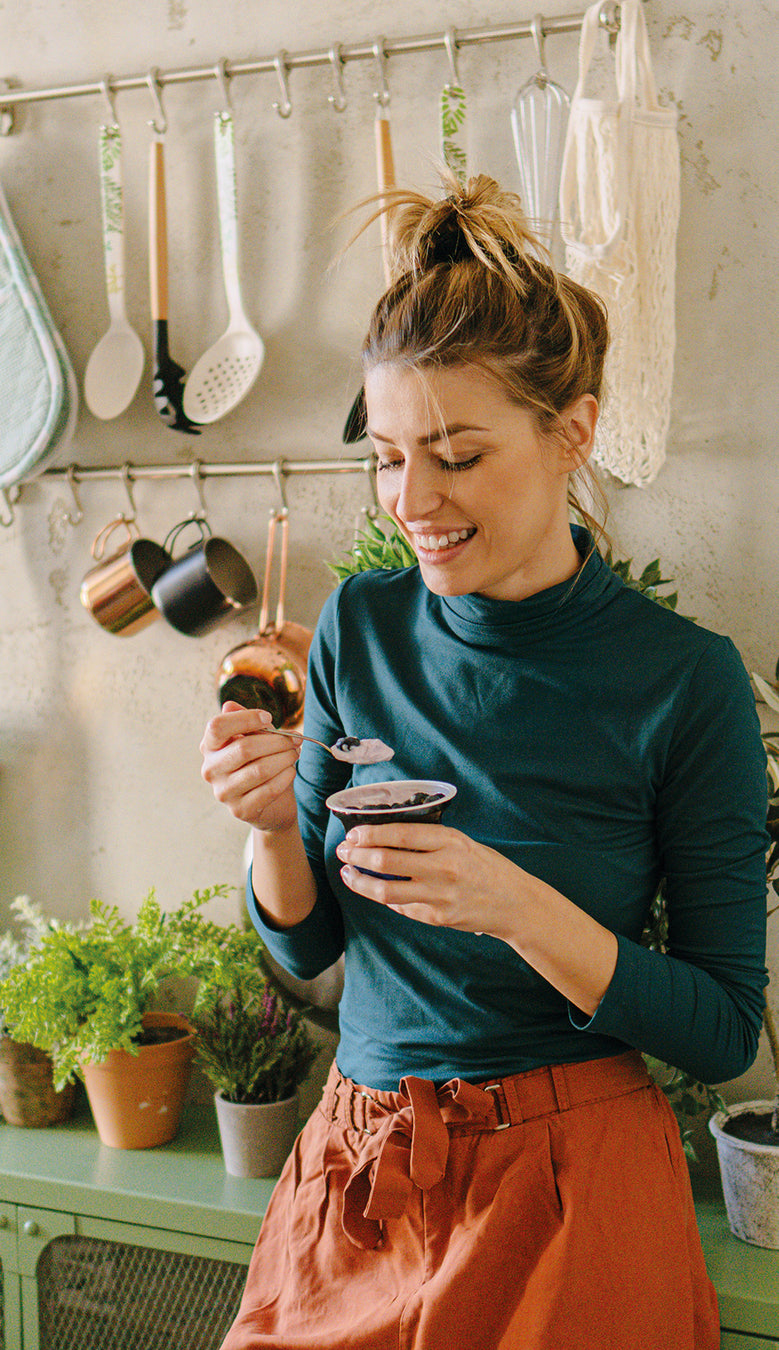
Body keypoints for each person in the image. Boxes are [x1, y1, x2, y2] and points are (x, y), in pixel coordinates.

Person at [200, 174, 768, 1350]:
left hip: (568, 1191)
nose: (413, 500)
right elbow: (307, 944)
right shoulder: (359, 626)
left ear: (573, 432)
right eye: (389, 458)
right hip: (359, 1173)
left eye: (454, 455)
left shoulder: (680, 680)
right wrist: (265, 826)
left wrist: (516, 908)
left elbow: (721, 1033)